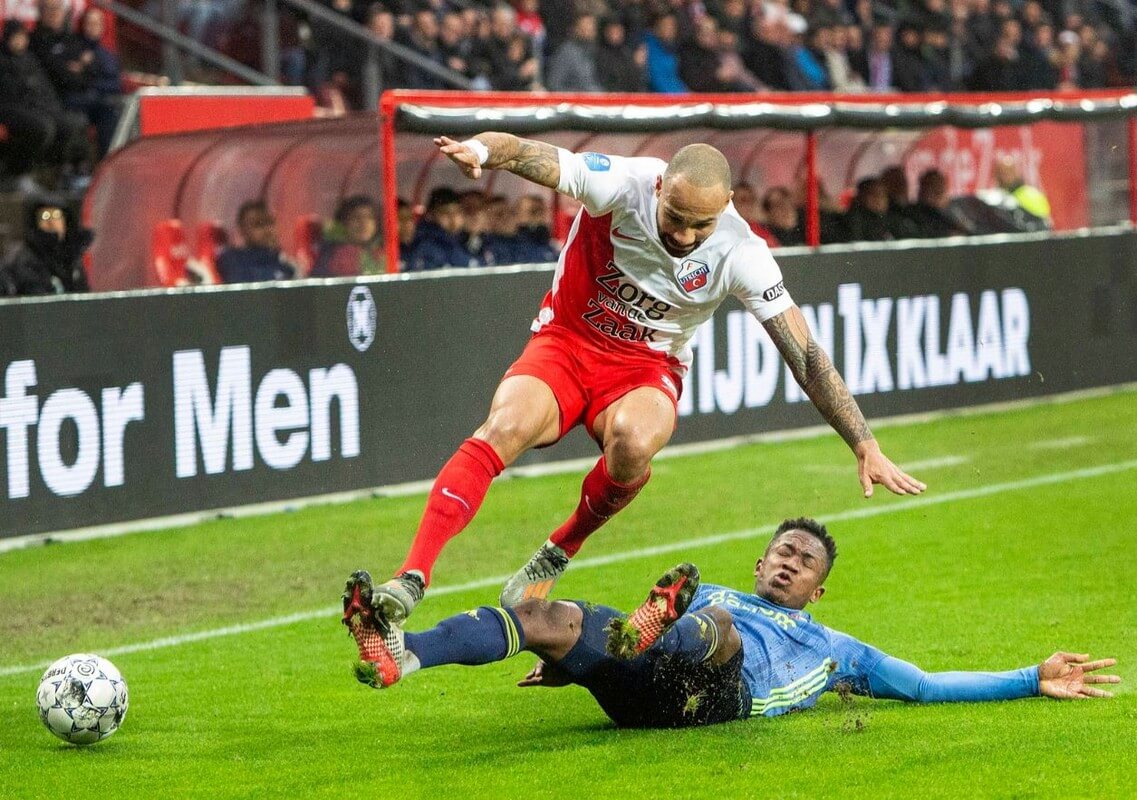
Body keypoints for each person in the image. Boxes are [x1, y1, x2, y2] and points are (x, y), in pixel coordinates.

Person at [349, 132, 926, 644]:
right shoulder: (621, 185)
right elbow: (528, 154)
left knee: (634, 440)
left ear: (726, 206)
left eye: (700, 223)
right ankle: (411, 578)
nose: (684, 233)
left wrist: (863, 441)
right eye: (675, 216)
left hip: (646, 369)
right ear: (659, 190)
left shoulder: (743, 253)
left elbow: (804, 354)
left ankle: (560, 548)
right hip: (567, 344)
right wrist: (480, 152)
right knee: (505, 426)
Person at [342, 518, 1120, 729]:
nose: (788, 563)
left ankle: (641, 634)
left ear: (816, 591)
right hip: (642, 691)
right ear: (760, 563)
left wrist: (1028, 677)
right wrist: (568, 659)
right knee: (544, 613)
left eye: (804, 562)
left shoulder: (833, 647)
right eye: (781, 552)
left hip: (717, 698)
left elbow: (921, 685)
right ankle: (401, 654)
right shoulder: (714, 588)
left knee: (721, 631)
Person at [0, 200, 91, 296]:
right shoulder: (25, 261)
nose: (52, 222)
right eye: (45, 216)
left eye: (57, 215)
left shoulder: (73, 258)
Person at [215, 200, 297, 283]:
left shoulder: (288, 264)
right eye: (258, 224)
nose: (267, 230)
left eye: (270, 222)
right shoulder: (231, 259)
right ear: (242, 230)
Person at [403, 187, 478, 271]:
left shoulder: (465, 239)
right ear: (431, 215)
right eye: (445, 213)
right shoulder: (425, 243)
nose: (453, 218)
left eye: (457, 212)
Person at [312, 195, 384, 276]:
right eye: (356, 217)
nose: (363, 223)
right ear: (344, 222)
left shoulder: (384, 252)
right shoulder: (332, 255)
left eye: (369, 217)